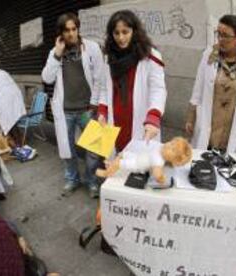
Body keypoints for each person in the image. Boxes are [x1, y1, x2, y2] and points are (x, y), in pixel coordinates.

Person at [42, 13, 104, 198]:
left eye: (73, 29)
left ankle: (92, 181)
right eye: (66, 30)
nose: (70, 34)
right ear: (61, 32)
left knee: (94, 150)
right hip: (65, 111)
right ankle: (72, 179)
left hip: (87, 110)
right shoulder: (54, 53)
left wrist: (95, 104)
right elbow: (47, 78)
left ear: (78, 29)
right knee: (67, 149)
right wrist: (56, 54)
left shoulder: (91, 48)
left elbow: (99, 78)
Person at [185, 14, 236, 153]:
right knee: (202, 167)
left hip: (233, 130)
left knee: (226, 169)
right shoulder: (209, 55)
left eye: (226, 35)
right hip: (207, 128)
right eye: (219, 34)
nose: (220, 39)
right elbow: (198, 89)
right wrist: (191, 118)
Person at [97, 9, 167, 152]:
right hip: (114, 121)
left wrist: (154, 116)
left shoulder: (150, 56)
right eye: (116, 33)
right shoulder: (108, 57)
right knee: (115, 165)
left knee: (137, 168)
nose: (121, 38)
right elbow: (105, 88)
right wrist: (102, 112)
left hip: (140, 121)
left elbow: (158, 89)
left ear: (134, 31)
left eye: (125, 32)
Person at [0, 69, 26, 146]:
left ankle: (17, 144)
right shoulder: (0, 71)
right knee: (12, 121)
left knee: (9, 122)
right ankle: (16, 141)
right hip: (15, 95)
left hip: (5, 100)